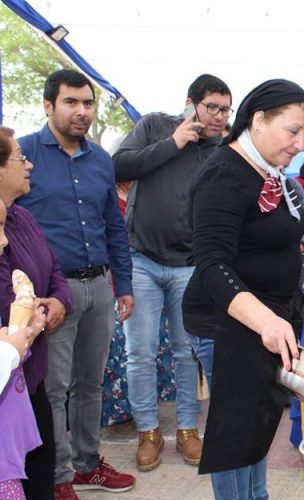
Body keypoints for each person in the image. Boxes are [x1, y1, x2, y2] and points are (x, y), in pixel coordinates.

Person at [183, 78, 304, 500]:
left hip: (265, 319)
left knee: (258, 425)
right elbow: (213, 265)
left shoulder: (267, 171)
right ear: (258, 120)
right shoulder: (223, 174)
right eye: (293, 131)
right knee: (235, 433)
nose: (301, 143)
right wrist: (267, 321)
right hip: (228, 322)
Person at [17, 70, 135, 500]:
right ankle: (58, 476)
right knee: (54, 388)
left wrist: (122, 283)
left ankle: (88, 462)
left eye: (87, 103)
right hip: (52, 294)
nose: (82, 111)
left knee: (91, 382)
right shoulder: (22, 155)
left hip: (99, 286)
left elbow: (114, 227)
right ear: (48, 106)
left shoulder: (101, 159)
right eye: (71, 102)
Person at [113, 74, 232, 471]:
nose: (218, 116)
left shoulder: (220, 149)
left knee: (187, 352)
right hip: (141, 259)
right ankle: (148, 432)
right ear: (191, 103)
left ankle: (186, 430)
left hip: (189, 264)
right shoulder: (155, 125)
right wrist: (175, 142)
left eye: (225, 109)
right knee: (140, 353)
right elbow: (118, 165)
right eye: (212, 107)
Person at [0, 135, 53, 500]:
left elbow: (52, 268)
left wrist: (54, 303)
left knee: (38, 471)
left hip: (26, 381)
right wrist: (15, 341)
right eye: (20, 158)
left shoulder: (23, 216)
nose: (28, 164)